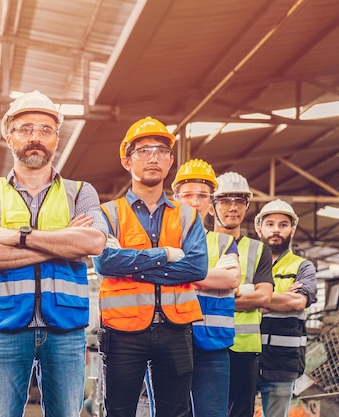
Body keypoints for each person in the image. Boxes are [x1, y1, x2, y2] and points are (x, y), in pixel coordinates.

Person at [0, 90, 107, 417]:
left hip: (65, 328)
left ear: (56, 139)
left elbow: (94, 243)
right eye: (26, 129)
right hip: (3, 324)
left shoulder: (81, 192)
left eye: (45, 130)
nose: (35, 137)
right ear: (8, 136)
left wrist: (20, 238)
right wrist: (62, 242)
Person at [92, 117, 208, 417]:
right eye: (143, 150)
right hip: (122, 330)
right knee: (119, 411)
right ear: (126, 161)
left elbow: (196, 268)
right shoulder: (107, 213)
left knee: (176, 412)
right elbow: (105, 263)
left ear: (171, 160)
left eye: (161, 150)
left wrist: (130, 264)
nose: (153, 157)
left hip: (176, 329)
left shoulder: (188, 216)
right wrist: (166, 254)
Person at [171, 159, 241, 417]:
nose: (195, 202)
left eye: (202, 196)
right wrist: (208, 275)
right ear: (175, 199)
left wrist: (178, 269)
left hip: (212, 345)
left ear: (211, 204)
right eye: (187, 195)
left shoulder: (223, 242)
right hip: (169, 342)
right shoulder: (161, 239)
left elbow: (231, 281)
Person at [208, 172, 274, 417]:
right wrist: (239, 297)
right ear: (212, 207)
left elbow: (264, 298)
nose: (233, 207)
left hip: (243, 348)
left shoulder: (258, 250)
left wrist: (212, 298)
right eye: (225, 200)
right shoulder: (199, 244)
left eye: (240, 200)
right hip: (204, 343)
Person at [254, 200, 317, 417]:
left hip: (283, 362)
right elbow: (231, 300)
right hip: (244, 357)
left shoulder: (302, 266)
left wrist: (254, 299)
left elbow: (297, 302)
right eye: (270, 224)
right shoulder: (246, 263)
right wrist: (282, 297)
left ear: (292, 230)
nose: (276, 230)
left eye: (283, 224)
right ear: (259, 228)